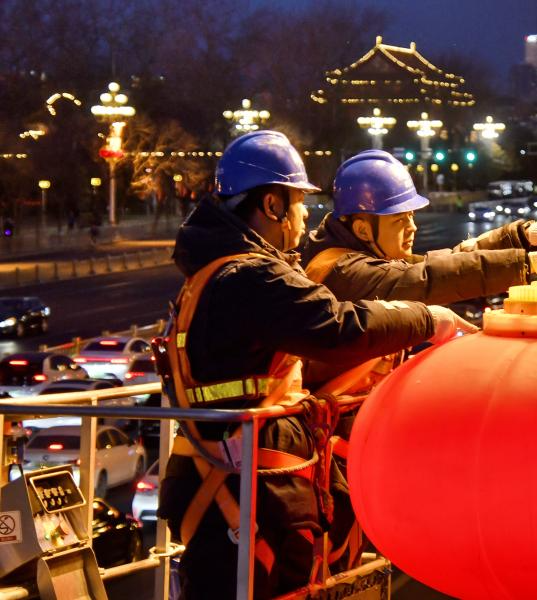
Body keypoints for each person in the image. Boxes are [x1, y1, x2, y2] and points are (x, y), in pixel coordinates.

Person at [157, 131, 473, 599]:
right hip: (253, 484)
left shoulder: (209, 272)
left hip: (217, 474)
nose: (307, 216)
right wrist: (427, 319)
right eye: (300, 202)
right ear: (272, 205)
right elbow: (337, 326)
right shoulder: (253, 275)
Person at [301, 149, 537, 308]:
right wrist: (535, 262)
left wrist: (526, 235)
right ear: (363, 230)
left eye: (411, 216)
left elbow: (448, 261)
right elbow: (429, 278)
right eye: (399, 220)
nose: (412, 227)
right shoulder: (346, 271)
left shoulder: (366, 256)